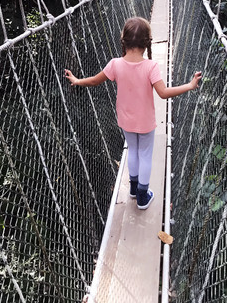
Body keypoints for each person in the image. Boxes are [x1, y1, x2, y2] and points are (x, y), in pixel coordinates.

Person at [64, 17, 202, 210]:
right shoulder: (150, 66)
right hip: (145, 122)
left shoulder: (115, 64)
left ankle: (133, 188)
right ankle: (143, 197)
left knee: (133, 152)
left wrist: (77, 81)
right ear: (146, 43)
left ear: (124, 40)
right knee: (145, 154)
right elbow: (163, 93)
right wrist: (189, 85)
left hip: (125, 119)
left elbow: (95, 81)